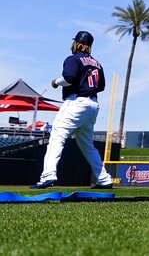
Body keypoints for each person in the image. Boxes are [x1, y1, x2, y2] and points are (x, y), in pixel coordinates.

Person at [30, 31, 114, 190]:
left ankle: (48, 175)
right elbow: (101, 87)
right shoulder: (97, 63)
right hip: (93, 104)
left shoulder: (73, 59)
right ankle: (104, 178)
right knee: (87, 145)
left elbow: (69, 77)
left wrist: (56, 82)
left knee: (56, 136)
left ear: (76, 43)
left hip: (76, 102)